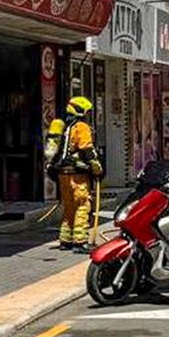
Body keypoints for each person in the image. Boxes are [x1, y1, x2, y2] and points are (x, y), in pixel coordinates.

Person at [46, 96, 103, 251]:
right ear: (81, 111)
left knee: (69, 206)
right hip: (77, 175)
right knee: (82, 205)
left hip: (62, 174)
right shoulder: (81, 127)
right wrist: (96, 166)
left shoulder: (63, 127)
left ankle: (65, 239)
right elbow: (86, 148)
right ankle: (80, 241)